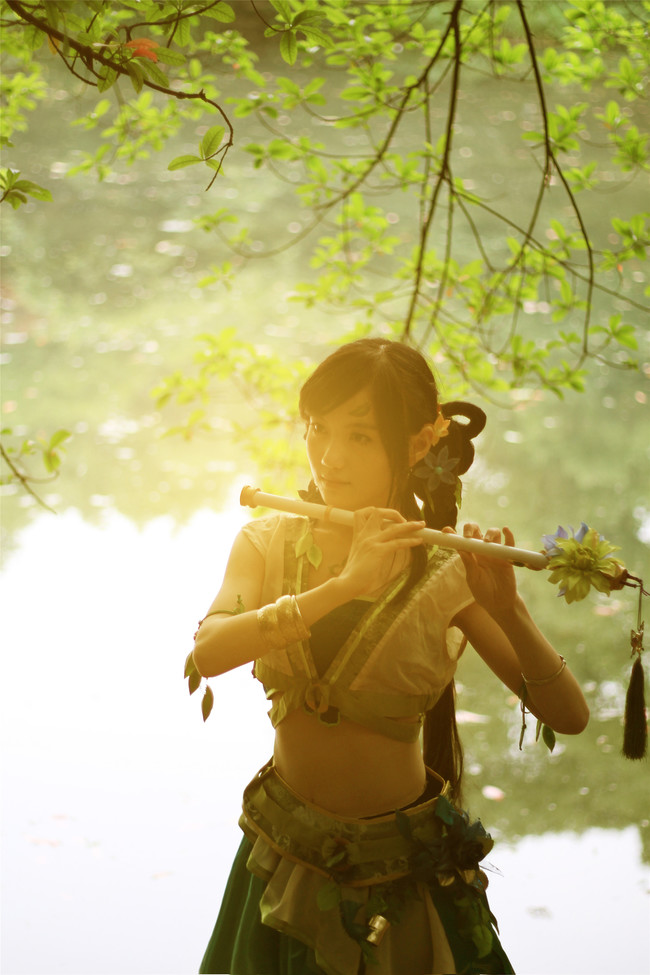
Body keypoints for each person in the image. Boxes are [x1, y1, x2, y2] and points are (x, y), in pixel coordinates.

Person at [192, 338, 589, 975]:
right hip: (281, 856)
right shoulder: (264, 540)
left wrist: (510, 609)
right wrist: (344, 585)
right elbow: (208, 653)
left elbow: (567, 717)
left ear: (418, 443)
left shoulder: (444, 566)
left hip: (407, 868)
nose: (329, 457)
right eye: (318, 430)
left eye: (360, 437)